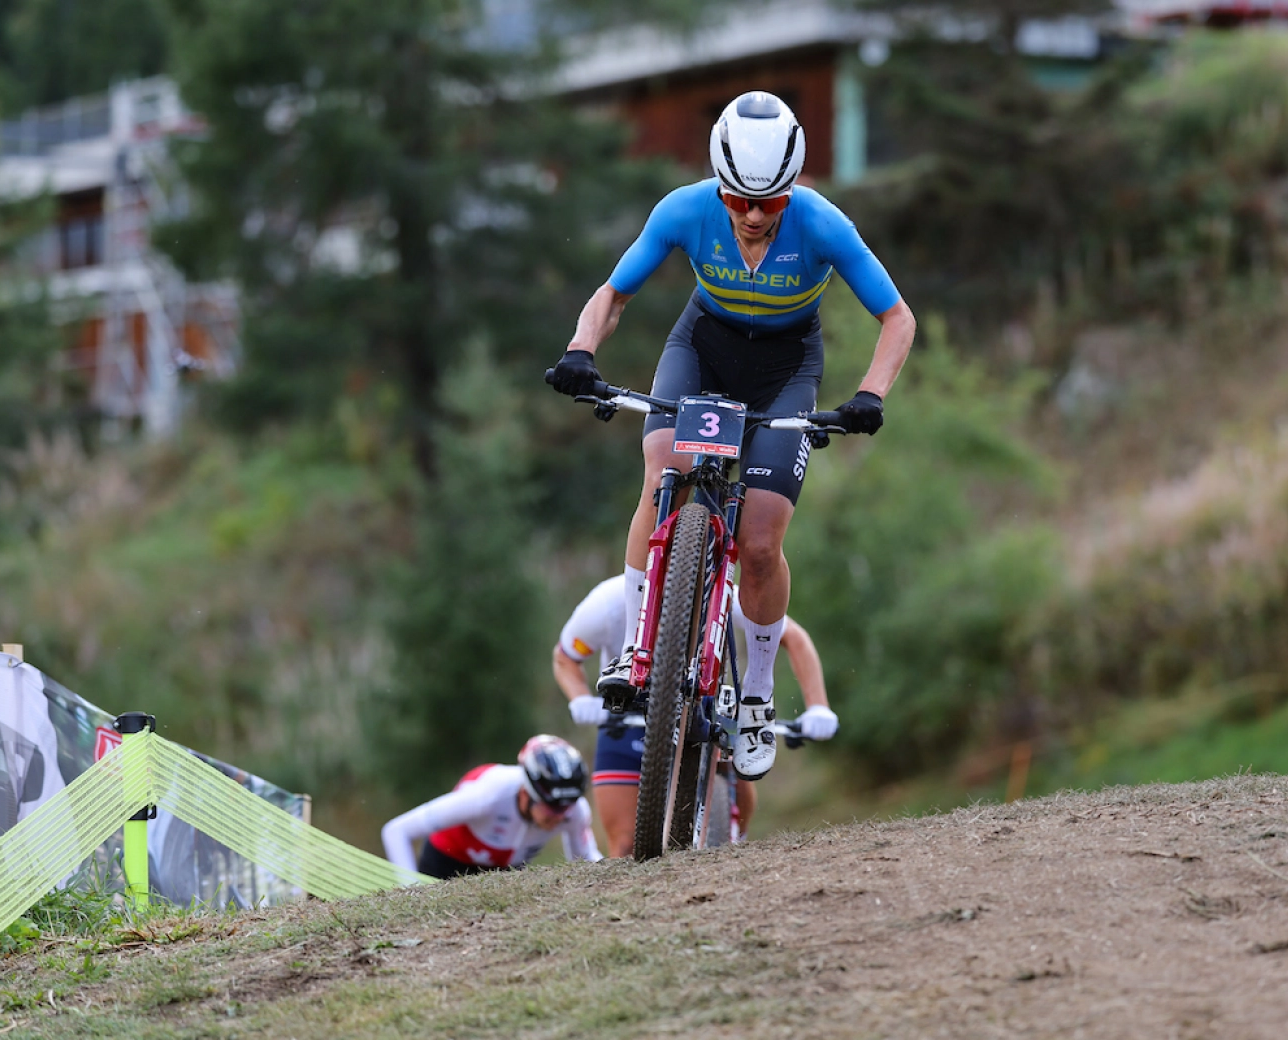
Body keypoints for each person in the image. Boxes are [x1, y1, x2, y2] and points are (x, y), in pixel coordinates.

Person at [547, 89, 914, 783]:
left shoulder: (825, 225)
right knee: (661, 475)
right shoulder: (683, 210)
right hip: (703, 350)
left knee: (761, 542)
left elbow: (899, 319)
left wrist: (871, 394)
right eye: (737, 199)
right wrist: (580, 349)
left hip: (784, 370)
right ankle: (634, 647)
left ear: (792, 188)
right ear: (718, 184)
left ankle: (753, 696)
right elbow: (614, 294)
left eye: (769, 202)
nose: (750, 215)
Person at [553, 574, 837, 857]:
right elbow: (565, 657)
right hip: (629, 715)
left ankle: (734, 835)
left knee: (737, 758)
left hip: (698, 704)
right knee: (626, 846)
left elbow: (793, 636)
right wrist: (580, 698)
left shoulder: (717, 595)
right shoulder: (607, 604)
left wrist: (818, 706)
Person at [380, 735, 602, 878]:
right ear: (527, 792)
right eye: (552, 807)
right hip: (447, 862)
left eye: (567, 808)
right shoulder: (488, 795)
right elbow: (396, 831)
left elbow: (585, 862)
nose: (560, 816)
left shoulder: (574, 810)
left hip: (506, 871)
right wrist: (412, 891)